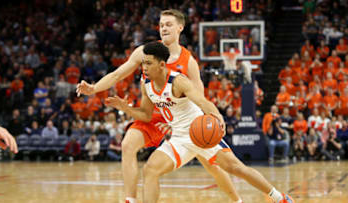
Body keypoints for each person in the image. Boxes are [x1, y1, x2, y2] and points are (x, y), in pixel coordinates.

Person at [76, 9, 241, 203]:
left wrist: (204, 120)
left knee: (212, 165)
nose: (164, 28)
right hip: (152, 113)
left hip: (181, 119)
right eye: (161, 25)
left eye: (169, 24)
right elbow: (117, 75)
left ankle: (237, 200)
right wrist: (94, 88)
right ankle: (131, 199)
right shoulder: (145, 51)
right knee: (128, 144)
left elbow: (199, 100)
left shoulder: (189, 62)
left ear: (180, 27)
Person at [105, 42, 295, 203]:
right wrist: (126, 108)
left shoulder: (178, 82)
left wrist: (218, 118)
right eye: (143, 63)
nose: (143, 67)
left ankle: (279, 197)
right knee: (150, 170)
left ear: (161, 65)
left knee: (236, 168)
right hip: (179, 138)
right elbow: (146, 116)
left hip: (200, 132)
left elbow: (204, 102)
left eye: (148, 63)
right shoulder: (146, 84)